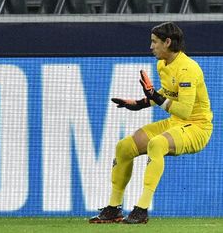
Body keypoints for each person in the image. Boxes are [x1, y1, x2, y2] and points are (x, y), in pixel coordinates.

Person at [90, 22, 213, 224]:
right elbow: (167, 95)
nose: (151, 46)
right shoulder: (162, 64)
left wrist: (155, 96)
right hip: (176, 123)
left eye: (154, 42)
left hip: (198, 128)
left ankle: (141, 210)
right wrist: (138, 104)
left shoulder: (188, 69)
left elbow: (184, 110)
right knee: (124, 147)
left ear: (167, 42)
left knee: (157, 143)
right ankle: (113, 209)